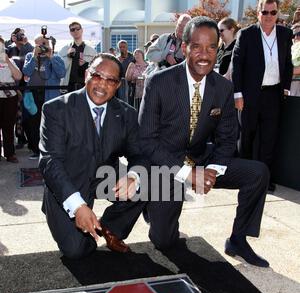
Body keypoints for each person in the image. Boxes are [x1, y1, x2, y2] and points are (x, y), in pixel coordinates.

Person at [139, 16, 270, 268]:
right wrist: (189, 174)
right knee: (163, 241)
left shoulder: (223, 88)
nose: (204, 54)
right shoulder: (158, 83)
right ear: (185, 46)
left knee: (257, 173)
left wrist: (213, 170)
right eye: (197, 46)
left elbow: (228, 136)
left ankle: (238, 240)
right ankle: (152, 206)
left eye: (211, 47)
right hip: (166, 164)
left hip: (201, 156)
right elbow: (147, 142)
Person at [39, 53, 147, 260]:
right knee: (77, 251)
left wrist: (133, 176)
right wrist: (78, 205)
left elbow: (139, 154)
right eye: (97, 76)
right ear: (87, 74)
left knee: (154, 179)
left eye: (110, 80)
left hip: (104, 177)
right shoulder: (56, 109)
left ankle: (111, 227)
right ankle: (82, 221)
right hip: (67, 182)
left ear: (118, 85)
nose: (102, 84)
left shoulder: (126, 114)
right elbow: (49, 161)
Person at [231, 0, 293, 192]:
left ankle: (265, 180)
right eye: (264, 12)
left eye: (272, 12)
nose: (268, 16)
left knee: (269, 140)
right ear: (258, 13)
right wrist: (238, 94)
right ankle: (245, 179)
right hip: (249, 96)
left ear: (278, 14)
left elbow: (288, 63)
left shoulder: (285, 34)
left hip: (273, 94)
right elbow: (237, 66)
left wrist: (285, 88)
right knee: (246, 137)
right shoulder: (246, 34)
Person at [23, 35, 65, 159]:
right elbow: (26, 72)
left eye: (45, 44)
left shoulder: (56, 57)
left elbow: (61, 73)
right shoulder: (30, 56)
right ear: (35, 45)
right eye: (39, 44)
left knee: (50, 124)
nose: (42, 47)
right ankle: (36, 150)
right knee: (34, 124)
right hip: (33, 95)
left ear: (49, 45)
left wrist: (51, 57)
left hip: (50, 95)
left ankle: (50, 150)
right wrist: (35, 57)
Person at [0, 37, 23, 163]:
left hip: (10, 97)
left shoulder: (10, 61)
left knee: (9, 126)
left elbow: (18, 76)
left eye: (2, 48)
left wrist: (7, 61)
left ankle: (10, 153)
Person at [59, 22, 96, 93]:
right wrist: (68, 56)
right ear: (70, 33)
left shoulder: (92, 51)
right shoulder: (64, 50)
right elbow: (60, 70)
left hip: (85, 85)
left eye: (77, 29)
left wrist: (86, 64)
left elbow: (95, 69)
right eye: (72, 30)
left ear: (82, 30)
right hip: (68, 85)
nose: (75, 31)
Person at [290, 23, 300, 96]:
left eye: (299, 34)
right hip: (292, 88)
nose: (296, 37)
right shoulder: (291, 48)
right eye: (294, 35)